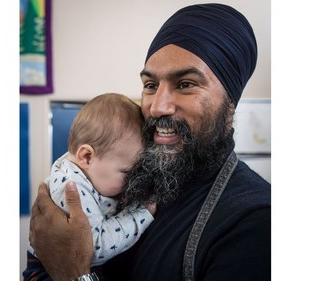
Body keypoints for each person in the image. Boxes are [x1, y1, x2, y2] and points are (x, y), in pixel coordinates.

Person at [24, 3, 271, 281]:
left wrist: (73, 273)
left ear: (230, 103)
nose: (157, 107)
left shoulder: (257, 222)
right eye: (151, 86)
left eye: (186, 84)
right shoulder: (136, 179)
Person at [25, 93, 156, 280]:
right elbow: (93, 248)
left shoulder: (83, 170)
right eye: (127, 173)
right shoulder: (73, 188)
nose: (131, 182)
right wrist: (142, 214)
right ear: (86, 156)